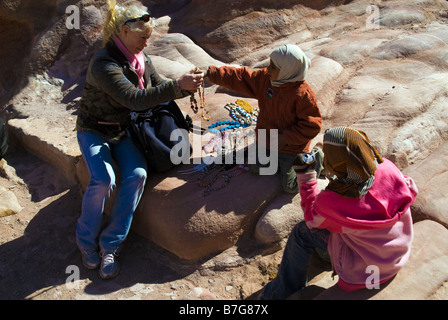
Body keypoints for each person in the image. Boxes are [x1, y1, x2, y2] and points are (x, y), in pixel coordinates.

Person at [75, 0, 203, 279]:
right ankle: (85, 242)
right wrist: (176, 86)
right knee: (104, 179)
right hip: (93, 130)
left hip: (123, 131)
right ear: (123, 31)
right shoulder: (104, 64)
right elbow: (134, 100)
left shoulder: (141, 59)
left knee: (138, 174)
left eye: (149, 38)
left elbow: (157, 88)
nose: (146, 44)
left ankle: (111, 244)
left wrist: (185, 85)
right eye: (142, 37)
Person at [261, 127, 418, 299]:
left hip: (364, 271)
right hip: (395, 255)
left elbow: (312, 220)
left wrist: (306, 178)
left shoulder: (333, 201)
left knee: (302, 232)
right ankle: (326, 259)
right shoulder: (387, 167)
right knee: (339, 227)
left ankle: (279, 293)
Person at [205, 44, 322, 193]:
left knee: (291, 186)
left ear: (287, 70)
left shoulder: (303, 95)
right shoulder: (266, 79)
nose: (268, 68)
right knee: (255, 168)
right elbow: (242, 77)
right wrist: (213, 74)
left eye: (273, 67)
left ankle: (317, 155)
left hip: (293, 148)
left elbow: (312, 126)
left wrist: (286, 138)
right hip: (268, 141)